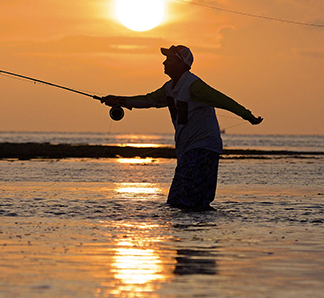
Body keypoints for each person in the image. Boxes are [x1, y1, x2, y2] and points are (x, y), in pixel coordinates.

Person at [101, 45, 262, 211]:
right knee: (187, 202)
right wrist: (119, 100)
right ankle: (198, 227)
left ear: (181, 64)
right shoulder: (169, 88)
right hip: (187, 150)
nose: (164, 63)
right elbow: (148, 100)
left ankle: (197, 227)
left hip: (204, 148)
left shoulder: (194, 85)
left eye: (169, 59)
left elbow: (222, 100)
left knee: (183, 200)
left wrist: (247, 115)